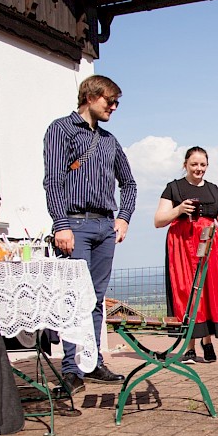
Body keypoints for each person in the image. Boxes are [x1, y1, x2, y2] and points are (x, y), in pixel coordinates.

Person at [43, 75, 137, 394]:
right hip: (75, 225)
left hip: (105, 227)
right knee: (74, 298)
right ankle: (72, 371)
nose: (114, 107)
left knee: (96, 300)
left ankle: (93, 363)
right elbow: (53, 181)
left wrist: (123, 219)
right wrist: (61, 223)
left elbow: (130, 184)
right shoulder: (61, 130)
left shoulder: (110, 141)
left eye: (116, 103)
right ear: (91, 96)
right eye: (109, 101)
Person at [154, 147, 218, 364]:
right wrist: (179, 209)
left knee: (209, 291)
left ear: (207, 166)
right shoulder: (174, 188)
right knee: (186, 292)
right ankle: (189, 346)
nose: (199, 169)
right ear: (185, 164)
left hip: (209, 244)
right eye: (194, 164)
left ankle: (207, 341)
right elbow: (158, 220)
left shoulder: (213, 189)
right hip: (181, 245)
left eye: (202, 165)